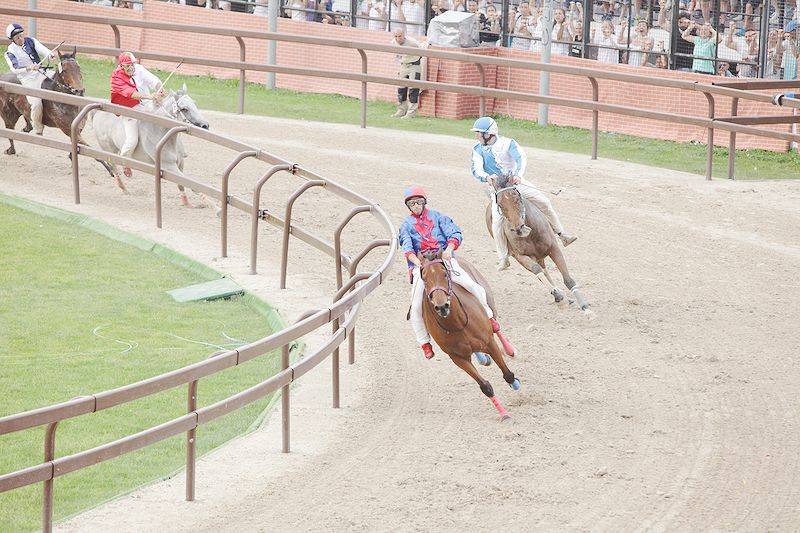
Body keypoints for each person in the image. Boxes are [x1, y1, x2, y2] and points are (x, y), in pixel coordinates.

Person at [399, 185, 502, 360]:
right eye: (412, 204)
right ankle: (424, 342)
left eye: (418, 202)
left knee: (472, 286)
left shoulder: (438, 217)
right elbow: (407, 247)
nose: (415, 206)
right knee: (416, 305)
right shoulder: (406, 225)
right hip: (422, 265)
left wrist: (449, 249)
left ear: (424, 203)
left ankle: (490, 317)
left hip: (444, 259)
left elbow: (454, 233)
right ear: (408, 206)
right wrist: (418, 264)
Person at [470, 116, 576, 271]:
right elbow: (476, 169)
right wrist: (486, 177)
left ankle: (562, 234)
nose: (477, 136)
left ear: (489, 134)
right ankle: (503, 257)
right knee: (497, 222)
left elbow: (521, 158)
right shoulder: (477, 149)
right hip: (498, 189)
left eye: (479, 133)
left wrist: (518, 174)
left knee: (544, 202)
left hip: (516, 183)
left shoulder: (508, 143)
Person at [110, 52, 163, 177]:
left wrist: (159, 88)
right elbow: (130, 93)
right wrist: (150, 96)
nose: (131, 68)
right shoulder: (116, 77)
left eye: (132, 65)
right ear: (121, 66)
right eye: (128, 66)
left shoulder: (138, 69)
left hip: (144, 105)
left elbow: (153, 80)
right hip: (128, 109)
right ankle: (125, 160)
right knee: (132, 139)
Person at [3, 23, 56, 135]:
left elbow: (41, 48)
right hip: (28, 79)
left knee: (59, 80)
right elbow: (15, 68)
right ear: (12, 40)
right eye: (17, 37)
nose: (20, 38)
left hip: (42, 72)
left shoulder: (30, 41)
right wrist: (29, 68)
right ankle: (38, 129)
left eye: (21, 35)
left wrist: (49, 54)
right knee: (36, 103)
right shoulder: (9, 52)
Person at [391, 28, 424, 119]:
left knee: (413, 88)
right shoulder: (393, 42)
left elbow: (422, 50)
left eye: (400, 36)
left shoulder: (412, 42)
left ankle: (411, 112)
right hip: (403, 65)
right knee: (401, 88)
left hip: (414, 64)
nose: (398, 38)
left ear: (404, 35)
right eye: (396, 36)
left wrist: (417, 60)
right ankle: (401, 110)